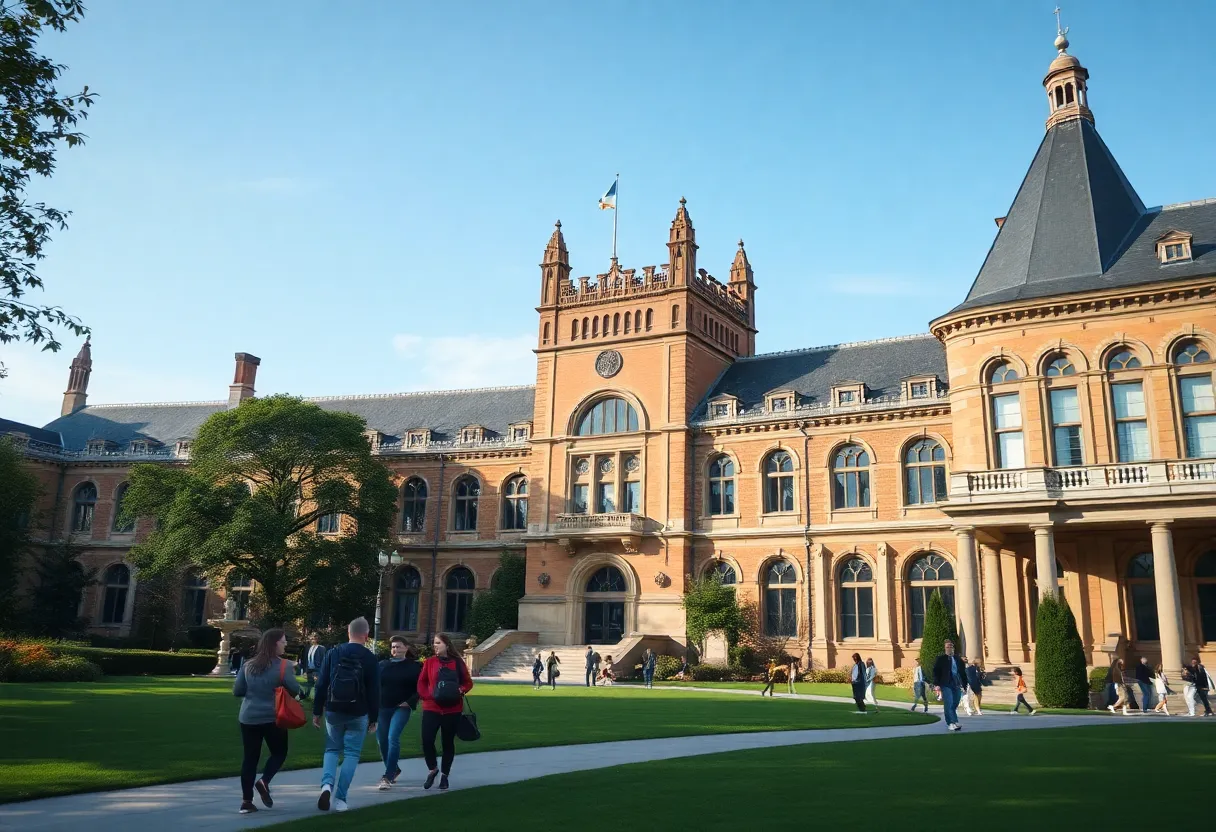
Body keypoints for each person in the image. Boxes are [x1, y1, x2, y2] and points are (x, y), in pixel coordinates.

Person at [313, 616, 379, 813]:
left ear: (348, 633)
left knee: (332, 750)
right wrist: (374, 717)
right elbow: (375, 691)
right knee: (351, 753)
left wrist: (317, 711)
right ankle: (340, 798)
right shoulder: (369, 658)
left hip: (333, 709)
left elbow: (322, 684)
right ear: (366, 636)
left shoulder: (333, 653)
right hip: (358, 711)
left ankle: (326, 785)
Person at [232, 627, 300, 814]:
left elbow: (237, 691)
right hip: (272, 717)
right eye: (283, 641)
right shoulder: (283, 666)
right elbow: (295, 689)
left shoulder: (248, 665)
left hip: (248, 716)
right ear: (274, 643)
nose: (285, 644)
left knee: (250, 758)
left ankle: (246, 802)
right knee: (279, 752)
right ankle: (264, 781)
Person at [417, 633, 474, 791]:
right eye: (434, 643)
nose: (435, 645)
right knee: (427, 740)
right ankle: (433, 769)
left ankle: (444, 775)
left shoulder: (457, 663)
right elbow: (422, 682)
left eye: (438, 643)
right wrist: (427, 696)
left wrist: (460, 690)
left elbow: (468, 682)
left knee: (447, 743)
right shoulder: (430, 662)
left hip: (452, 709)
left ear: (447, 645)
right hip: (432, 708)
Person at [376, 636, 421, 791]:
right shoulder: (382, 665)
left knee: (392, 737)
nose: (395, 649)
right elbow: (374, 686)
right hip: (382, 707)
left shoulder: (415, 666)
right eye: (393, 647)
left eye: (398, 646)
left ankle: (388, 776)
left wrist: (410, 701)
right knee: (382, 741)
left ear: (406, 648)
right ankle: (394, 768)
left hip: (401, 707)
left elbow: (421, 688)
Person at [932, 639, 966, 731]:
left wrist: (965, 685)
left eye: (951, 646)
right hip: (946, 684)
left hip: (956, 683)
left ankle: (954, 721)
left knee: (955, 703)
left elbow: (962, 672)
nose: (949, 648)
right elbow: (936, 672)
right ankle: (951, 722)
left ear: (953, 648)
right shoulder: (941, 659)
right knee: (949, 703)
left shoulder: (958, 659)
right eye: (947, 647)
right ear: (945, 648)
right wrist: (936, 684)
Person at [300, 634, 327, 701]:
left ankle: (318, 699)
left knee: (317, 685)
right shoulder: (308, 647)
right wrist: (305, 671)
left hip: (317, 669)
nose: (312, 640)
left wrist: (319, 672)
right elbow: (306, 659)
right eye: (311, 639)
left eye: (314, 638)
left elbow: (323, 660)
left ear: (317, 639)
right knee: (309, 683)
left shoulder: (321, 648)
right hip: (309, 668)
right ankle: (305, 697)